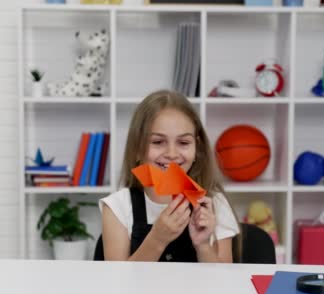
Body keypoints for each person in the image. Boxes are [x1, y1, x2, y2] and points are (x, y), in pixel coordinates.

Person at [99, 90, 240, 263]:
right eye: (158, 142)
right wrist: (157, 239)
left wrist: (203, 245)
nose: (172, 154)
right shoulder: (118, 207)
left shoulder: (215, 204)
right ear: (137, 149)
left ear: (197, 148)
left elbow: (224, 282)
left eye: (183, 143)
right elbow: (117, 282)